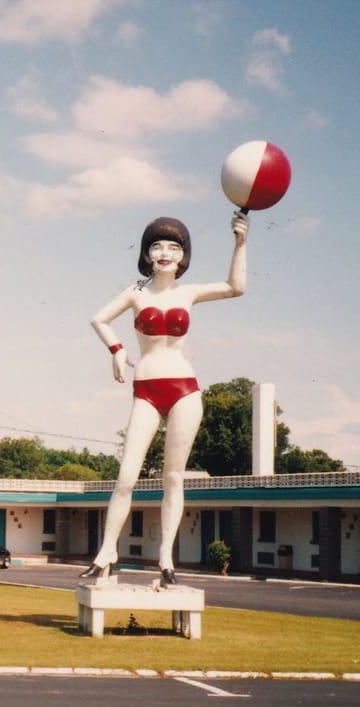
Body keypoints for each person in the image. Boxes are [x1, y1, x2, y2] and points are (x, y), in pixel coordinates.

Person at [82, 211, 248, 587]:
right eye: (156, 245)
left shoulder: (188, 293)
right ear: (145, 253)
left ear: (183, 255)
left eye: (173, 246)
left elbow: (235, 287)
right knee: (126, 476)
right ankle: (107, 552)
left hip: (184, 389)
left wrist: (240, 242)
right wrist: (116, 349)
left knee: (173, 477)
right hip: (146, 388)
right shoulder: (135, 293)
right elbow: (98, 319)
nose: (164, 252)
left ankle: (166, 560)